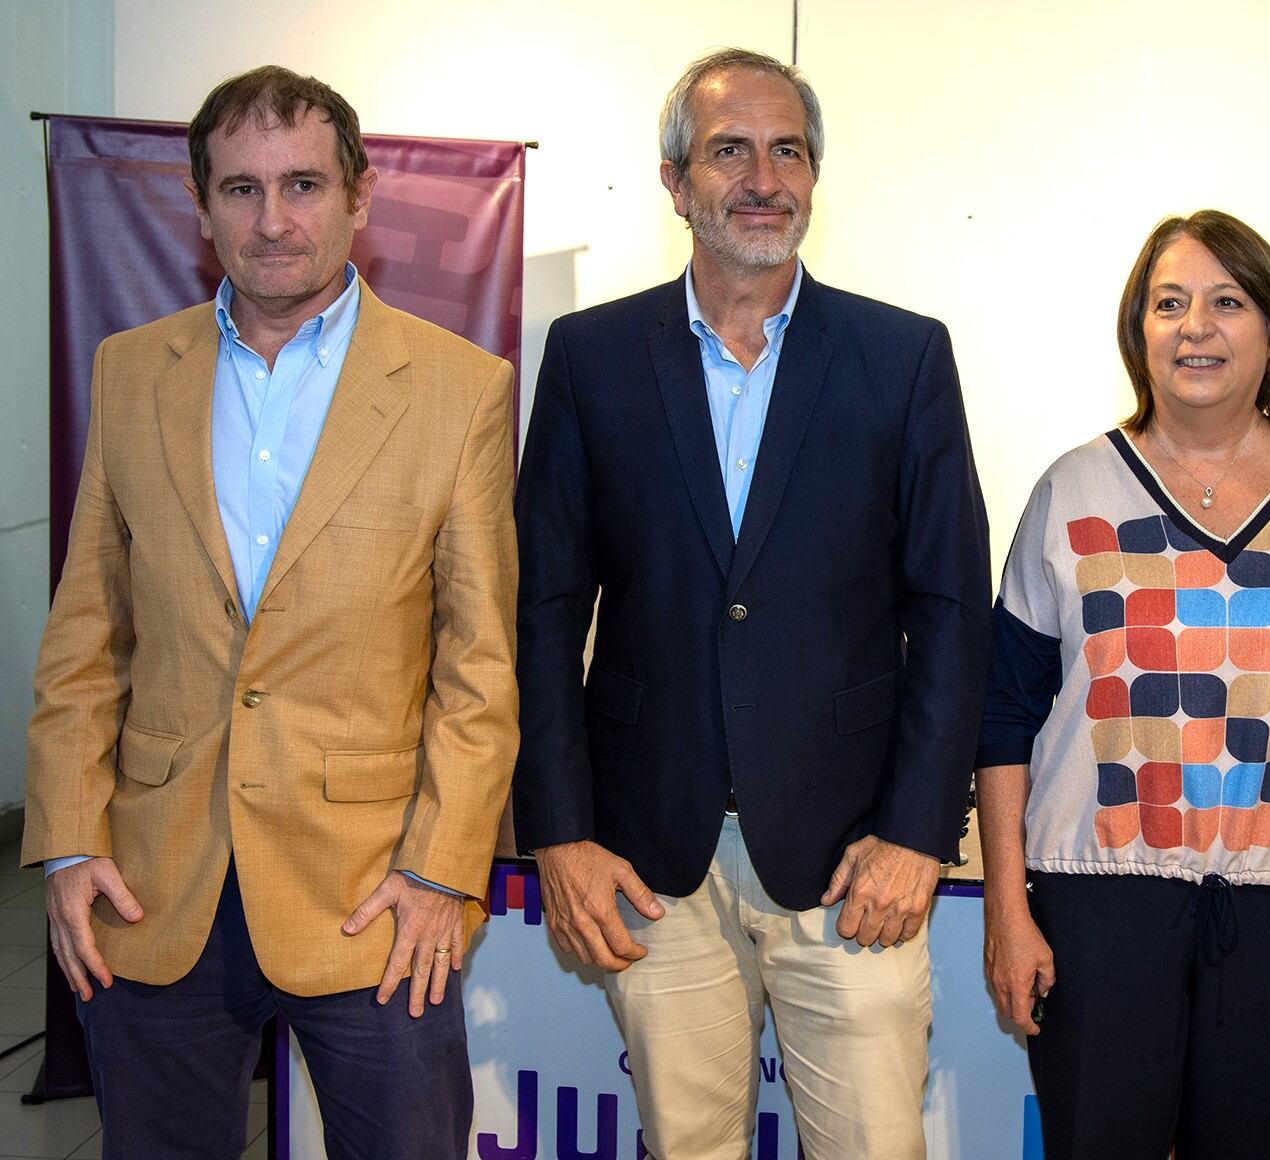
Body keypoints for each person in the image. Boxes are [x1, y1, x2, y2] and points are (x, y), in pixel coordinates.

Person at [22, 66, 518, 1159]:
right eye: (240, 189)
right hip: (153, 891)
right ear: (199, 208)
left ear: (359, 195)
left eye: (302, 183)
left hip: (376, 902)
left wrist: (440, 870)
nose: (274, 218)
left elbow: (477, 664)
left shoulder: (458, 388)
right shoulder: (129, 372)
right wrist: (64, 838)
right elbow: (83, 633)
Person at [511, 48, 990, 1160]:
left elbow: (952, 607)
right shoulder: (589, 358)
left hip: (851, 861)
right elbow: (540, 605)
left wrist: (918, 831)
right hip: (645, 852)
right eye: (730, 150)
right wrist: (561, 829)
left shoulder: (900, 356)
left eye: (788, 151)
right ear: (676, 181)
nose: (762, 176)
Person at [975, 209, 1270, 1159]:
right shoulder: (1073, 488)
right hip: (1098, 901)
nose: (1196, 327)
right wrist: (1009, 909)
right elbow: (1004, 715)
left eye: (1227, 302)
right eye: (1169, 303)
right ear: (1139, 331)